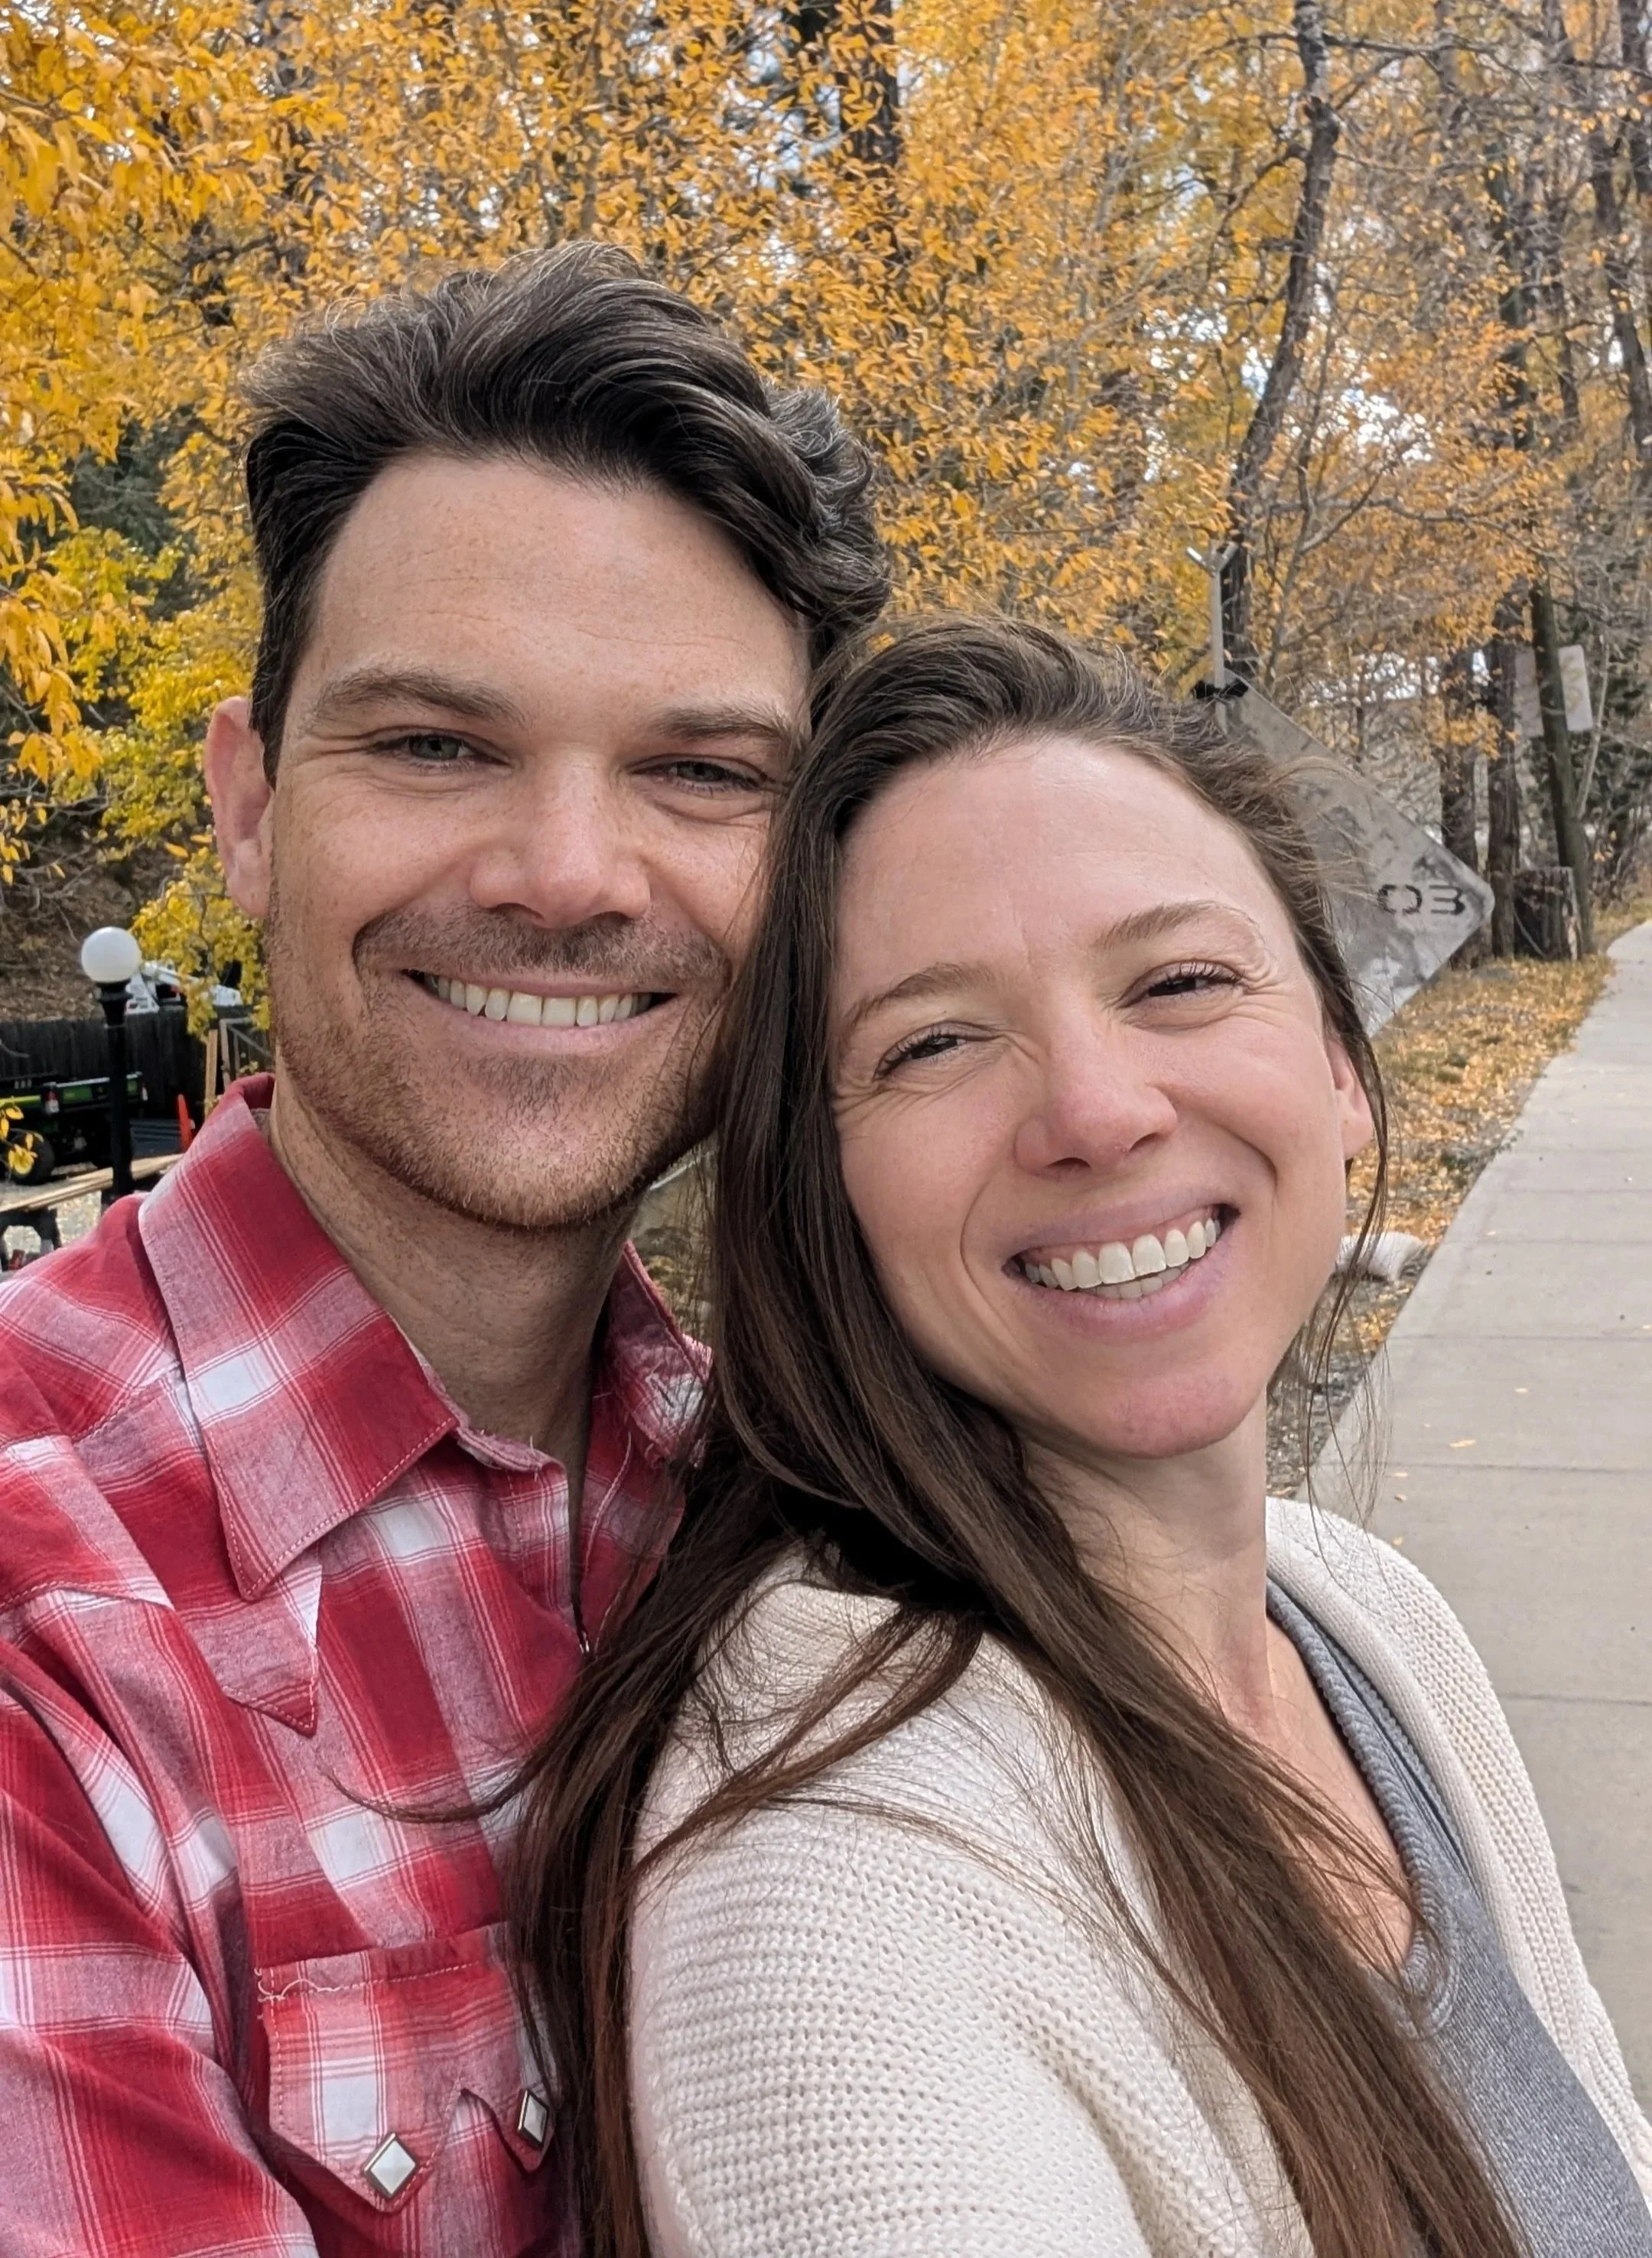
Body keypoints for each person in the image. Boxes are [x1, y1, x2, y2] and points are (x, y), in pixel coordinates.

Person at [515, 616, 1652, 2258]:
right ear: (824, 1194)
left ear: (1339, 1068)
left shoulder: (1364, 1621)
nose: (1098, 1109)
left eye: (1181, 981)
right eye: (934, 1043)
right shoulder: (838, 1897)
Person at [0, 246, 885, 2256]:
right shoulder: (50, 1619)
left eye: (700, 772)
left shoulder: (806, 1486)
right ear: (247, 805)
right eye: (432, 747)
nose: (566, 876)